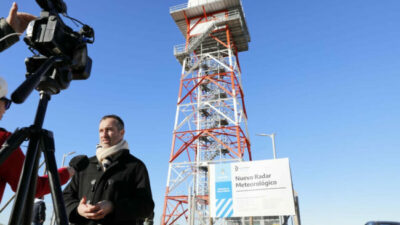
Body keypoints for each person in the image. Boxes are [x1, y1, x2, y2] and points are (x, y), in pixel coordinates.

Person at [63, 115, 154, 225]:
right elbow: (65, 197)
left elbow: (146, 206)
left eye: (109, 130)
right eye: (101, 130)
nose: (103, 134)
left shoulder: (136, 166)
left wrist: (113, 207)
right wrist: (78, 209)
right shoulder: (86, 164)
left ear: (122, 132)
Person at [0, 76, 74, 202]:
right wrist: (67, 172)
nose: (5, 110)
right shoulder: (3, 140)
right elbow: (32, 188)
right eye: (5, 103)